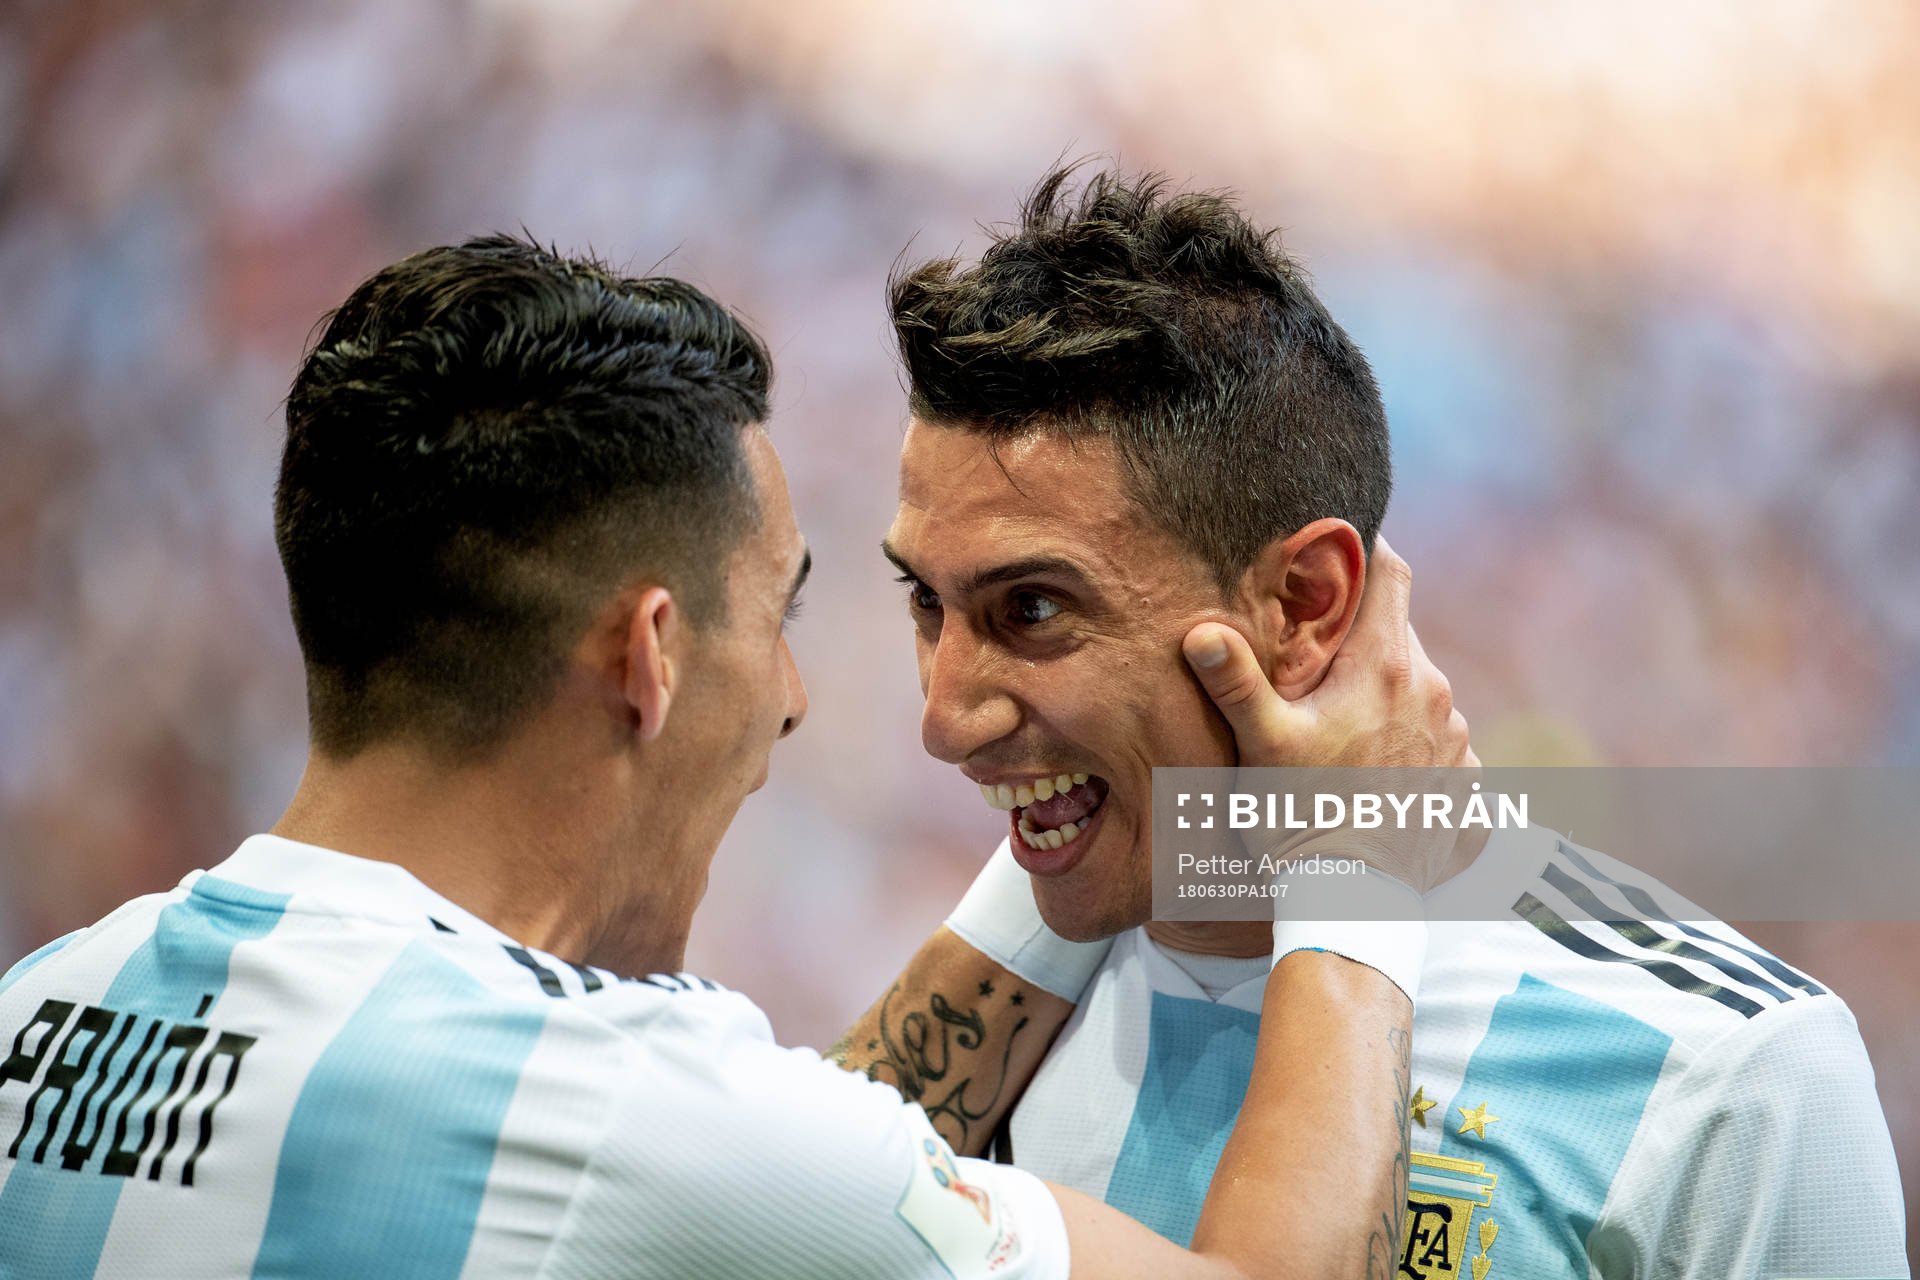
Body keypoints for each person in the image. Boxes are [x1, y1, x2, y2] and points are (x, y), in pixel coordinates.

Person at [0, 234, 1471, 1278]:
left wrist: (1090, 805)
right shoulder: (615, 1114)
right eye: (780, 619)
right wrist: (1364, 851)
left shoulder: (37, 1013)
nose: (797, 700)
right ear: (648, 657)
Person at [829, 167, 1909, 1279]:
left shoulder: (1730, 1071)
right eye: (927, 601)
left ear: (1304, 603)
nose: (944, 720)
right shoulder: (995, 998)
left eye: (1035, 608)